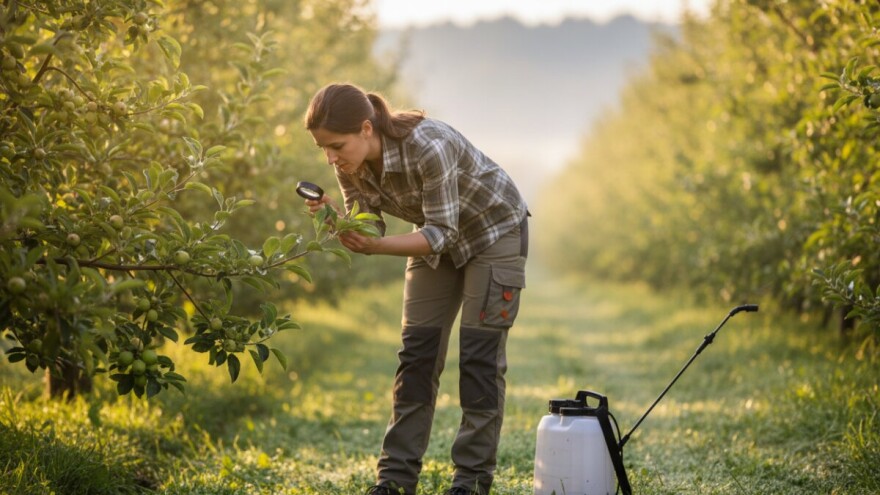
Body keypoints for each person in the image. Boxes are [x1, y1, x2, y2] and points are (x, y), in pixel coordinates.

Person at [303, 83, 529, 495]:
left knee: (479, 359)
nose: (331, 158)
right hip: (435, 236)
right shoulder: (349, 164)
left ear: (366, 128)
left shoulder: (429, 145)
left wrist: (375, 247)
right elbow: (370, 226)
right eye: (323, 149)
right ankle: (394, 481)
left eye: (336, 146)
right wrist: (338, 220)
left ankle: (470, 482)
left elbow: (441, 233)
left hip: (493, 231)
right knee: (416, 356)